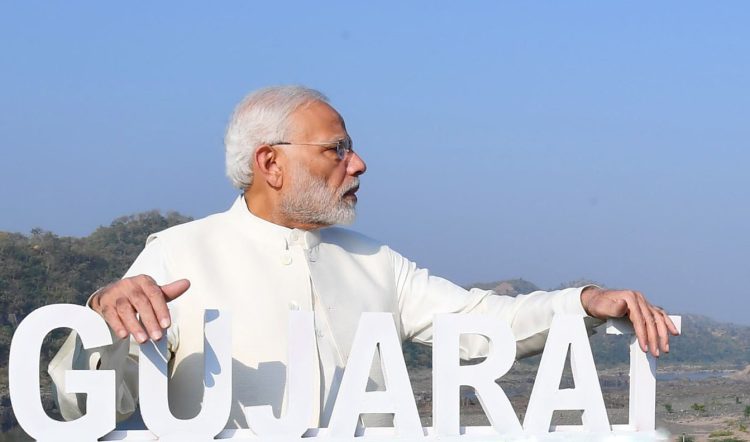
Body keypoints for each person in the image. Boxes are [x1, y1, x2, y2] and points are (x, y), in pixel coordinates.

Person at [49, 85, 679, 429]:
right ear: (271, 162)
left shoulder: (376, 260)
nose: (359, 164)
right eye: (337, 149)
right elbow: (75, 404)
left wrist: (585, 302)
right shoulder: (177, 253)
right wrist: (101, 318)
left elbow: (483, 323)